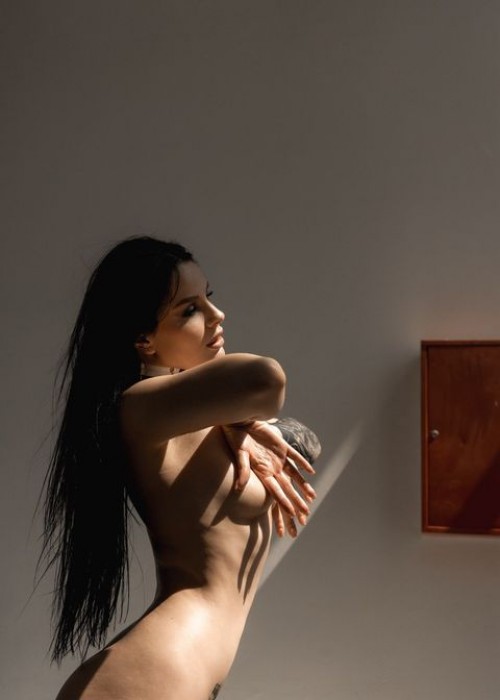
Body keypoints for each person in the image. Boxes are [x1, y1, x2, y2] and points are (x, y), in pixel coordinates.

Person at [40, 236, 321, 700]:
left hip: (179, 672)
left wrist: (237, 421)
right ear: (144, 340)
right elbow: (266, 380)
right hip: (153, 674)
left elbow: (305, 444)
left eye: (209, 298)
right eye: (190, 310)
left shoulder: (198, 418)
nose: (217, 316)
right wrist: (239, 417)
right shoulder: (137, 408)